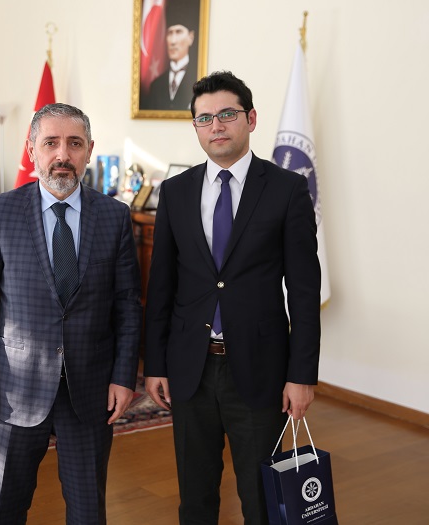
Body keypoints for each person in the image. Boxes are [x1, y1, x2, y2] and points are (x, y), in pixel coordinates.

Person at [144, 71, 321, 524]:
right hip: (191, 368)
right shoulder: (176, 192)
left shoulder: (287, 190)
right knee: (195, 498)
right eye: (204, 118)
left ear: (251, 119)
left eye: (227, 114)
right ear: (196, 128)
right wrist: (156, 364)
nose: (216, 125)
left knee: (261, 499)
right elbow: (161, 286)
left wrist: (302, 375)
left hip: (260, 369)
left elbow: (304, 292)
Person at [0, 103, 142, 525]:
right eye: (51, 143)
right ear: (31, 150)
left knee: (88, 511)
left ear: (89, 150)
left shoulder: (115, 216)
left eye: (74, 143)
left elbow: (127, 304)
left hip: (91, 390)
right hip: (15, 389)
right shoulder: (0, 211)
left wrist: (123, 376)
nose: (63, 154)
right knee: (6, 508)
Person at [139, 0, 198, 111]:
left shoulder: (199, 81)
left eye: (178, 32)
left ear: (190, 37)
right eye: (170, 33)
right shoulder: (156, 85)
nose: (173, 41)